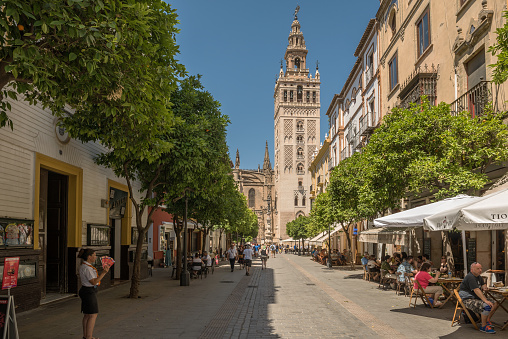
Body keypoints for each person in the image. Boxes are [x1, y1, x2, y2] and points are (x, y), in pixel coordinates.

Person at [459, 262, 499, 334]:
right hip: (467, 299)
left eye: (481, 268)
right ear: (472, 269)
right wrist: (485, 300)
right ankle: (483, 326)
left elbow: (483, 285)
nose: (480, 270)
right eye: (478, 269)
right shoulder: (470, 277)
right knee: (486, 305)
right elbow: (476, 290)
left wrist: (485, 287)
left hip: (475, 298)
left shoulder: (478, 277)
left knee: (495, 303)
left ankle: (487, 320)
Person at [78, 248, 109, 339]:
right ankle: (89, 337)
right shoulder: (87, 268)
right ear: (89, 257)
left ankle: (86, 336)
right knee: (93, 315)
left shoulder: (85, 266)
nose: (95, 257)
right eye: (94, 255)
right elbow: (94, 281)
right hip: (89, 292)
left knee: (87, 314)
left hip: (86, 290)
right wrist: (103, 273)